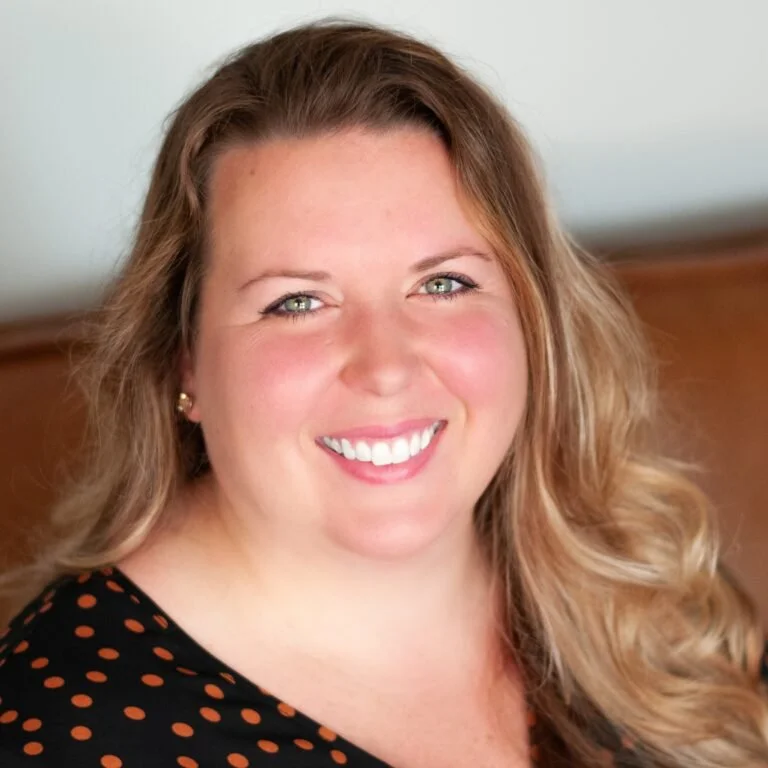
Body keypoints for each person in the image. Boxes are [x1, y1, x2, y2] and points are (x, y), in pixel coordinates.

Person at [0, 18, 766, 768]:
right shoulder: (58, 733)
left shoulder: (632, 566)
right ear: (184, 363)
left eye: (443, 283)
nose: (386, 366)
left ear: (533, 322)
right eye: (297, 302)